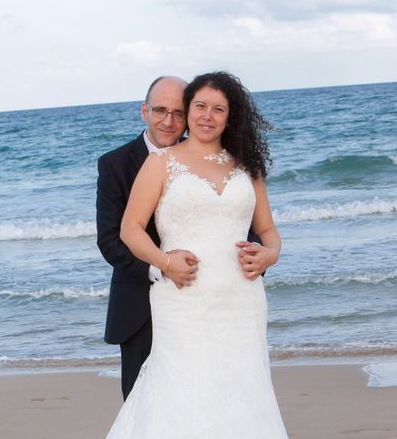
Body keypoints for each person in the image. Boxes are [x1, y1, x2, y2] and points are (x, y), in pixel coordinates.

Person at [16, 72, 310, 439]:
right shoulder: (160, 163)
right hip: (182, 302)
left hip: (241, 303)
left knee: (244, 396)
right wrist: (164, 262)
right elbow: (126, 231)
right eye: (199, 107)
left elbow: (268, 231)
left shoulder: (247, 165)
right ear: (181, 111)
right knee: (178, 398)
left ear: (232, 117)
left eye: (218, 109)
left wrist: (270, 255)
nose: (205, 116)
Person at [96, 76, 268, 401]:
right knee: (147, 406)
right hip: (141, 306)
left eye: (178, 112)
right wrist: (161, 268)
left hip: (221, 302)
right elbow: (111, 239)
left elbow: (240, 222)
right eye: (161, 110)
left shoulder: (221, 160)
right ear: (145, 111)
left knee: (222, 397)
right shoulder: (115, 164)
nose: (169, 120)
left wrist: (259, 257)